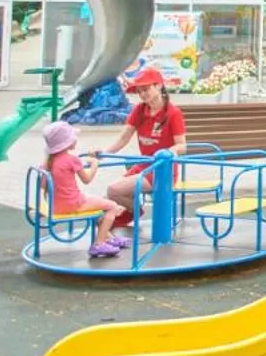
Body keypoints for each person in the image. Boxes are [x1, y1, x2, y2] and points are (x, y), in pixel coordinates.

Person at [102, 66, 186, 232]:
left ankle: (134, 211)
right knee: (108, 198)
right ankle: (128, 213)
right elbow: (123, 137)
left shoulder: (173, 113)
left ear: (159, 86)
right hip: (144, 164)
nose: (142, 94)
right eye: (139, 91)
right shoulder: (139, 110)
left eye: (146, 89)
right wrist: (104, 153)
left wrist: (168, 153)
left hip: (162, 169)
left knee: (113, 190)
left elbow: (182, 145)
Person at [43, 120, 124, 259]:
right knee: (111, 206)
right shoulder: (72, 159)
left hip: (55, 206)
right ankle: (98, 244)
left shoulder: (46, 162)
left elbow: (44, 184)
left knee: (95, 205)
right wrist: (95, 164)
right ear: (67, 143)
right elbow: (87, 180)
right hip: (73, 205)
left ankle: (108, 237)